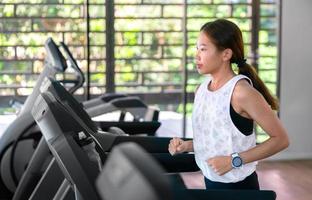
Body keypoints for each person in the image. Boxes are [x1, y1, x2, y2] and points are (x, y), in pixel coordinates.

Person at [168, 19, 289, 190]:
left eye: (203, 49)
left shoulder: (241, 92)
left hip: (239, 188)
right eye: (197, 49)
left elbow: (281, 140)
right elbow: (219, 139)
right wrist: (187, 145)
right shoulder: (201, 90)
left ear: (226, 54)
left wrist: (234, 160)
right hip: (210, 181)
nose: (197, 55)